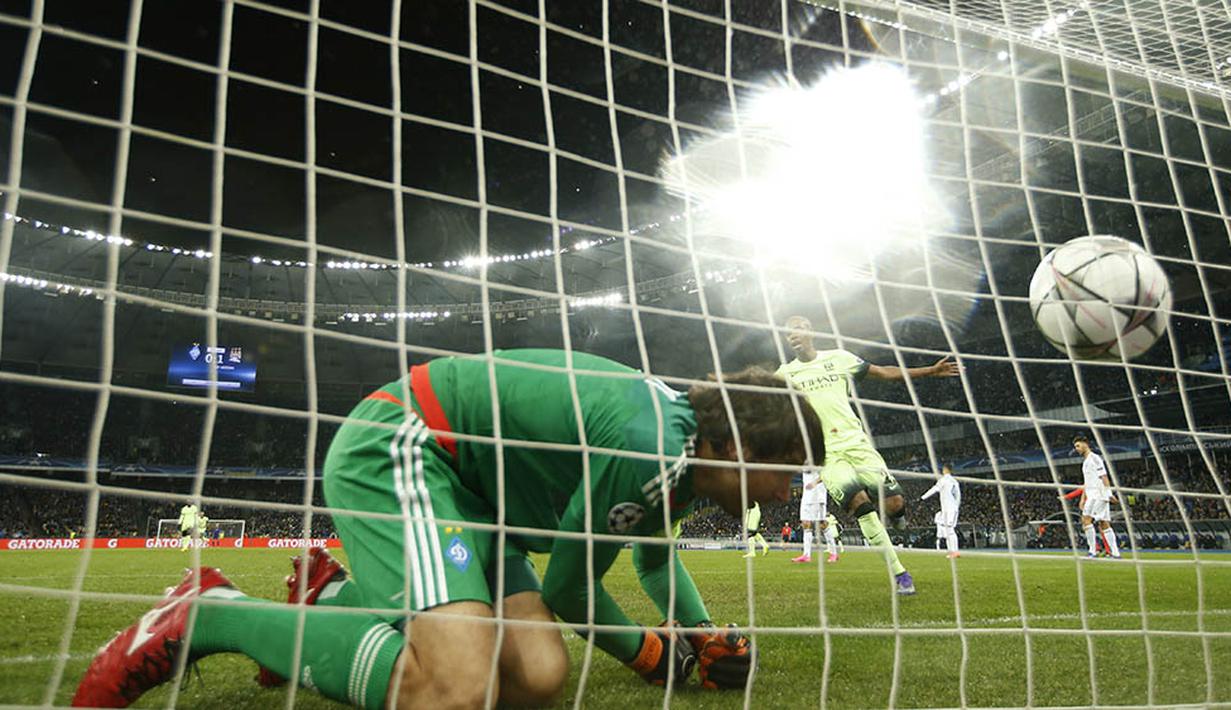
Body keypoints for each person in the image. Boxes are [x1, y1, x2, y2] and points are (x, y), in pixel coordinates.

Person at [73, 349, 824, 708]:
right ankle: (213, 612)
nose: (788, 494)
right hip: (405, 447)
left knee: (537, 679)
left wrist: (698, 629)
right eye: (786, 472)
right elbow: (567, 583)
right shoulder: (648, 444)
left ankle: (330, 598)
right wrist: (653, 652)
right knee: (455, 690)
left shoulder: (685, 454)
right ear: (735, 445)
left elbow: (655, 562)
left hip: (473, 500)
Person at [776, 315, 960, 595]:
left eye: (798, 328)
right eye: (787, 332)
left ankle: (898, 517)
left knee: (895, 503)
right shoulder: (785, 374)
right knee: (861, 506)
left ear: (810, 331)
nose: (793, 334)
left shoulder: (838, 358)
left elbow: (884, 372)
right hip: (826, 455)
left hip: (857, 444)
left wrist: (929, 372)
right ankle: (900, 573)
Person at [1074, 434, 1121, 559]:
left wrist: (1109, 494)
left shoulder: (1095, 458)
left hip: (1099, 495)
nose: (1077, 449)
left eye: (1078, 445)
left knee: (1089, 520)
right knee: (1102, 523)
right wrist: (1083, 498)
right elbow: (1087, 482)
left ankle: (1093, 551)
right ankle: (1114, 553)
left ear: (1085, 444)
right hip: (1092, 495)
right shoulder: (1085, 462)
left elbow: (1104, 476)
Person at [921, 464, 961, 558]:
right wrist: (956, 507)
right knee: (950, 531)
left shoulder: (943, 480)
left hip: (947, 509)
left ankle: (954, 552)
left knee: (949, 531)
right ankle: (954, 551)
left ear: (945, 470)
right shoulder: (955, 481)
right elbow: (958, 496)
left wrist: (923, 497)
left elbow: (934, 489)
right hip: (954, 508)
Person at [791, 469, 831, 563]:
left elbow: (825, 474)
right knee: (805, 524)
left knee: (822, 524)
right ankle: (806, 555)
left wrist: (815, 483)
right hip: (807, 495)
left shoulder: (819, 458)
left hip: (817, 495)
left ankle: (833, 551)